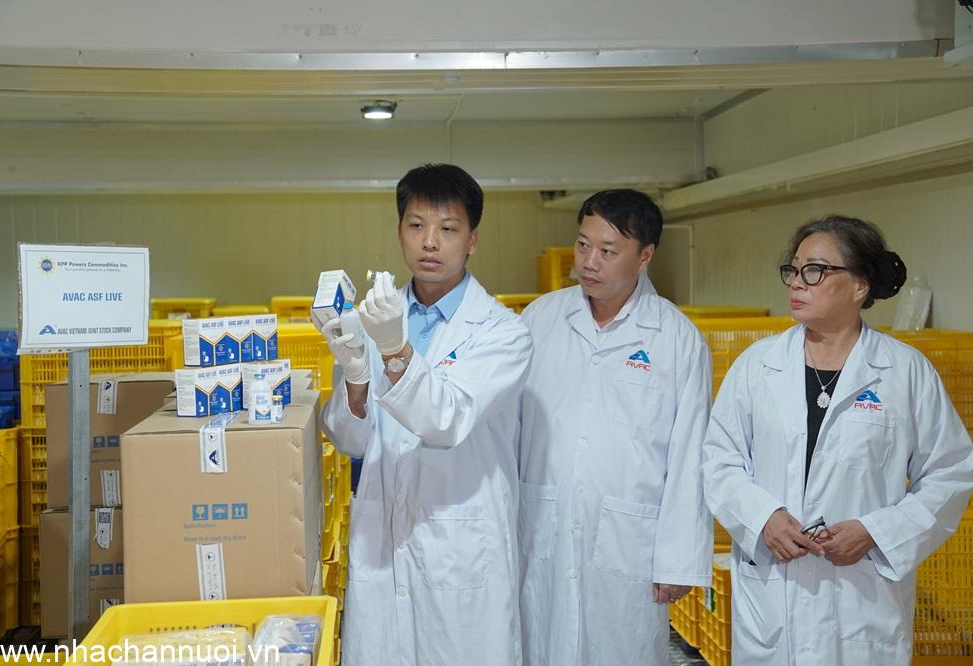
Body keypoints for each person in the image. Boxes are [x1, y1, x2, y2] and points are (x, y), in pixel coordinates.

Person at [703, 215, 973, 665]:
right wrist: (764, 517)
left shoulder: (905, 373)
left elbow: (949, 473)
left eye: (815, 270)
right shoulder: (757, 366)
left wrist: (875, 532)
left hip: (859, 601)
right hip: (774, 599)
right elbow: (719, 461)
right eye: (793, 269)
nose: (797, 282)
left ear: (860, 286)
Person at [319, 163, 531, 666]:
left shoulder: (502, 332)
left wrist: (394, 350)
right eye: (416, 225)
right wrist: (355, 376)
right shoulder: (373, 318)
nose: (430, 242)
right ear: (400, 233)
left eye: (448, 229)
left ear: (472, 240)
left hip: (461, 541)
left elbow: (448, 419)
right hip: (384, 537)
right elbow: (351, 440)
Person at [518, 189, 713, 665]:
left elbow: (689, 454)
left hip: (628, 542)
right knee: (538, 642)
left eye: (608, 251)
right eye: (583, 245)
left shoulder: (676, 339)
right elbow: (509, 430)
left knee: (620, 648)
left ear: (645, 256)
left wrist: (679, 558)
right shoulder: (540, 319)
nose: (589, 262)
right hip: (541, 526)